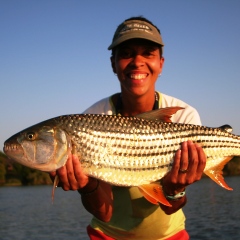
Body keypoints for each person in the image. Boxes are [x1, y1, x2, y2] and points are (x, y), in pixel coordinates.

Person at [50, 16, 206, 240]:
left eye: (148, 53)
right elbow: (104, 213)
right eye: (126, 53)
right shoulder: (90, 120)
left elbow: (172, 207)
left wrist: (174, 191)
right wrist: (86, 186)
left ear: (161, 63)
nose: (137, 61)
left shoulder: (184, 115)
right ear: (113, 63)